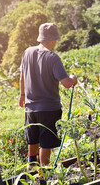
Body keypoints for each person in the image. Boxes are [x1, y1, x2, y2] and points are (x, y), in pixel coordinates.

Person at [19, 23, 77, 169]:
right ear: (52, 40)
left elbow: (22, 77)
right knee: (46, 142)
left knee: (32, 138)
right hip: (48, 109)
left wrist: (22, 95)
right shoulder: (53, 58)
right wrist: (73, 78)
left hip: (30, 108)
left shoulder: (27, 52)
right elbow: (66, 83)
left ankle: (31, 167)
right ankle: (45, 172)